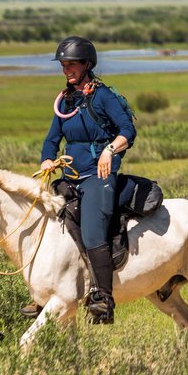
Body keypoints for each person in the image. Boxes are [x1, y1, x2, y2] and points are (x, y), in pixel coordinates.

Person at [40, 36, 136, 323]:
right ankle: (46, 292)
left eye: (71, 64)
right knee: (48, 221)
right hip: (70, 176)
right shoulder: (65, 101)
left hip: (99, 176)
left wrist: (109, 150)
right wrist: (47, 159)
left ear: (86, 65)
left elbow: (127, 130)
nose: (65, 69)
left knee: (94, 231)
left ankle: (103, 298)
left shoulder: (104, 96)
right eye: (63, 65)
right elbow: (51, 140)